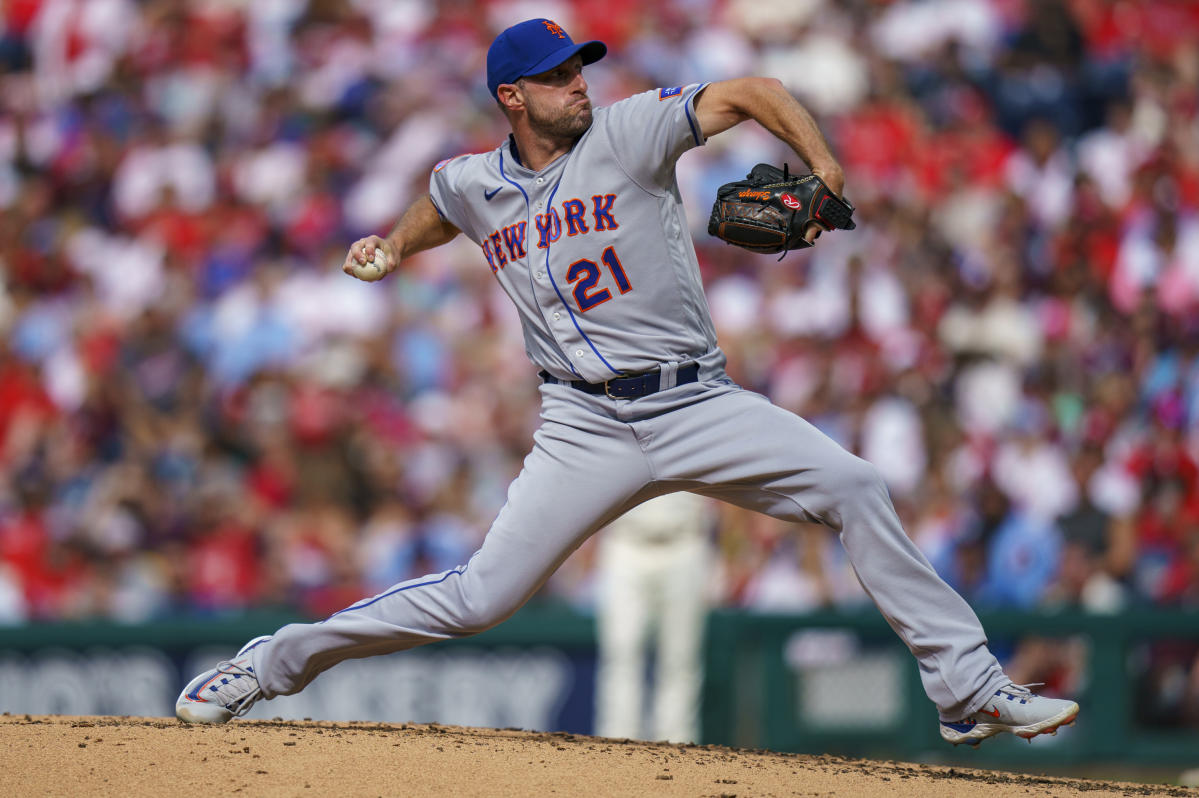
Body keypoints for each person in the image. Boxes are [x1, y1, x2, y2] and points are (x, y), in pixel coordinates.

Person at [176, 17, 1079, 747]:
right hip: (582, 427)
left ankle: (966, 690)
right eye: (561, 76)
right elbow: (441, 203)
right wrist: (392, 245)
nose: (581, 83)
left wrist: (824, 167)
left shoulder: (627, 130)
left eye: (580, 68)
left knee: (855, 484)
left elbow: (755, 91)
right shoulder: (472, 181)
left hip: (697, 401)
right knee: (480, 598)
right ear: (512, 96)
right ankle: (273, 662)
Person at [593, 492, 713, 743]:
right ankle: (617, 744)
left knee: (680, 656)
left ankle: (677, 743)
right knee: (621, 650)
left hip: (685, 539)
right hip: (625, 540)